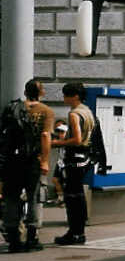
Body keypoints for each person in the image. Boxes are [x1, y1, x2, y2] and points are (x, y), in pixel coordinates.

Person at [0, 79, 54, 252]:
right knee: (35, 197)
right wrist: (45, 160)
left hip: (12, 161)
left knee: (11, 198)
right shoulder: (46, 111)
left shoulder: (12, 108)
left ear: (25, 92)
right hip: (33, 161)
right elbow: (45, 136)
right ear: (42, 92)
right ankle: (32, 238)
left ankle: (14, 239)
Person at [51, 83, 95, 246]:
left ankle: (74, 233)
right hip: (85, 157)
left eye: (65, 95)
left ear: (74, 96)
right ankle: (79, 232)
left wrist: (56, 143)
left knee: (71, 197)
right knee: (79, 196)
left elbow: (76, 139)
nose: (63, 98)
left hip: (74, 158)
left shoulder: (74, 114)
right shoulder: (87, 111)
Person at [49, 119, 68, 207]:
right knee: (55, 180)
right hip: (60, 162)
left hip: (66, 163)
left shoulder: (68, 137)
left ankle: (65, 200)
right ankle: (61, 198)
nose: (59, 133)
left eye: (61, 131)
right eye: (57, 130)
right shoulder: (57, 137)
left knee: (65, 182)